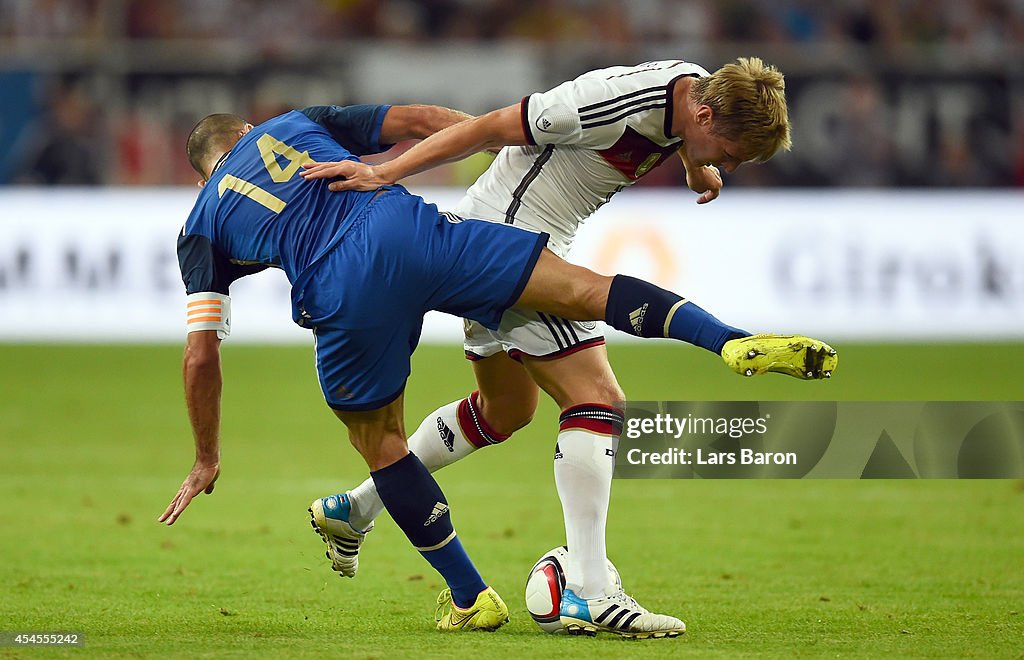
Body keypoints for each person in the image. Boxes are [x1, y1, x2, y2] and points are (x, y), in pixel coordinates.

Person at [301, 58, 837, 637]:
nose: (726, 166)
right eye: (728, 154)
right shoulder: (605, 101)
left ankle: (354, 510)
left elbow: (684, 128)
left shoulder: (696, 92)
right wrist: (386, 173)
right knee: (597, 398)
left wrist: (694, 163)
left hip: (516, 229)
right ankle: (587, 587)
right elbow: (485, 128)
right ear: (705, 114)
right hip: (507, 235)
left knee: (506, 411)